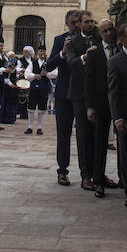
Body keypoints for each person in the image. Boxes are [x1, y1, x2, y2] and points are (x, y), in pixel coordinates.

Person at [43, 9, 81, 185]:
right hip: (64, 93)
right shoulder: (60, 40)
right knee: (63, 134)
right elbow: (48, 65)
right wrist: (62, 53)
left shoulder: (87, 39)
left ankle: (87, 173)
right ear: (67, 24)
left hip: (82, 93)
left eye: (78, 22)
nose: (76, 25)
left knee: (84, 135)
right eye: (73, 22)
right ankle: (62, 170)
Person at [81, 18, 118, 196]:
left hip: (119, 103)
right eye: (105, 31)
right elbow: (88, 82)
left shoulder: (121, 49)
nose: (109, 33)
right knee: (100, 143)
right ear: (100, 34)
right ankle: (98, 179)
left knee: (124, 144)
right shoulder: (94, 53)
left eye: (111, 29)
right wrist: (89, 107)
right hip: (101, 103)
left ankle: (125, 178)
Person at [67, 12, 103, 190]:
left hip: (97, 93)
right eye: (87, 22)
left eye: (92, 21)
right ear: (79, 24)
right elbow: (70, 62)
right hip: (80, 94)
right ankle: (85, 175)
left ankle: (99, 173)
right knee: (83, 135)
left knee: (99, 134)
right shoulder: (73, 41)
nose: (90, 24)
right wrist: (84, 57)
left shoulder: (98, 38)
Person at [106, 21, 127, 207]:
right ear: (121, 40)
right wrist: (117, 117)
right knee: (125, 154)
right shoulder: (115, 62)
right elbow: (113, 91)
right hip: (125, 115)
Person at [21, 45, 50, 135]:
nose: (42, 53)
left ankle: (39, 127)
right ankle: (30, 127)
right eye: (40, 51)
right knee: (31, 107)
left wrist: (47, 74)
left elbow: (56, 73)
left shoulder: (48, 63)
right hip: (33, 88)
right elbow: (27, 73)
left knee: (42, 108)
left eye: (43, 51)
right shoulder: (33, 63)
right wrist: (34, 75)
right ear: (38, 53)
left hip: (44, 88)